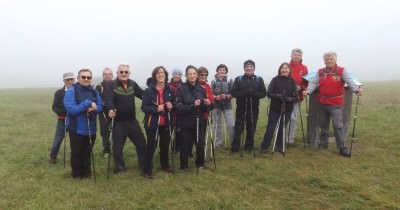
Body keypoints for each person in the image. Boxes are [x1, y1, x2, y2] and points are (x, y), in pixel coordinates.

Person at [305, 51, 362, 157]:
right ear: (324, 61)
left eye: (331, 59)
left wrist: (356, 90)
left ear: (335, 59)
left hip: (336, 104)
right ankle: (323, 144)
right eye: (327, 59)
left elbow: (349, 81)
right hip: (322, 103)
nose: (329, 61)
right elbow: (313, 82)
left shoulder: (342, 71)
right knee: (324, 125)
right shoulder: (320, 72)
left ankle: (342, 148)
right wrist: (308, 91)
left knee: (338, 126)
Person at [104, 64, 146, 173]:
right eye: (121, 72)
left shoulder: (132, 84)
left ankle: (143, 165)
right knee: (117, 147)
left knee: (141, 143)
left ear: (129, 73)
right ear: (117, 73)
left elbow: (143, 95)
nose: (123, 74)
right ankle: (120, 168)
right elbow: (108, 99)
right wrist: (110, 109)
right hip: (118, 122)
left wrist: (154, 97)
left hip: (132, 121)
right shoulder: (111, 85)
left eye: (126, 72)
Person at [64, 69, 102, 178]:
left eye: (88, 77)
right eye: (83, 77)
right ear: (78, 78)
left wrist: (93, 109)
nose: (86, 79)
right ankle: (76, 174)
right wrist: (87, 104)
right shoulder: (72, 91)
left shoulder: (94, 91)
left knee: (87, 151)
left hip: (91, 127)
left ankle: (86, 173)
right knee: (77, 152)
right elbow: (71, 109)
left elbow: (100, 107)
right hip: (76, 128)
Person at [175, 65, 211, 170]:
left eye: (194, 73)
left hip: (198, 121)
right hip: (185, 122)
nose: (192, 76)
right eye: (189, 74)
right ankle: (184, 166)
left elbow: (205, 108)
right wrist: (192, 106)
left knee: (200, 143)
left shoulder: (201, 89)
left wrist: (207, 104)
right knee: (185, 145)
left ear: (197, 75)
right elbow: (178, 107)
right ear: (186, 75)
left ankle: (200, 164)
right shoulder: (181, 88)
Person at [142, 66, 175, 178]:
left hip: (166, 122)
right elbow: (144, 107)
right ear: (155, 76)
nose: (160, 75)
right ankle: (147, 170)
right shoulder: (148, 90)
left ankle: (165, 165)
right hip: (153, 123)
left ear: (165, 75)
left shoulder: (170, 89)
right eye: (158, 73)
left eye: (162, 73)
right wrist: (156, 109)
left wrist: (171, 105)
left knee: (165, 145)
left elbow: (173, 103)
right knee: (151, 146)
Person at [260, 63, 298, 153]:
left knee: (282, 128)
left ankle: (279, 146)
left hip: (287, 108)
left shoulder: (292, 81)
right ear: (280, 70)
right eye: (282, 68)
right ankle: (264, 147)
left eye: (286, 68)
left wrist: (290, 99)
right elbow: (269, 93)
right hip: (275, 108)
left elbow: (296, 96)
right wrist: (278, 96)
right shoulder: (275, 80)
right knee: (271, 128)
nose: (284, 70)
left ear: (289, 70)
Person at [231, 60, 267, 153]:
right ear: (244, 68)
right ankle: (235, 147)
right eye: (247, 66)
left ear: (254, 68)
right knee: (239, 128)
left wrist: (254, 94)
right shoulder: (238, 79)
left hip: (253, 108)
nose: (249, 68)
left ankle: (248, 147)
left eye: (251, 66)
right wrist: (243, 94)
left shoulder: (259, 79)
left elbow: (263, 93)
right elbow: (233, 92)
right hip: (241, 108)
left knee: (251, 128)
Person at [48, 72, 75, 164]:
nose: (70, 81)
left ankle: (75, 158)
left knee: (75, 140)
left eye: (72, 79)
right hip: (62, 120)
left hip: (75, 120)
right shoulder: (59, 93)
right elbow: (54, 106)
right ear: (64, 81)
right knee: (58, 139)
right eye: (68, 79)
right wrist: (63, 113)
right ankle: (52, 157)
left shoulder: (78, 91)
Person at [210, 64, 235, 148]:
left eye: (224, 70)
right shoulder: (213, 80)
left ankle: (233, 142)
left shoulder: (229, 80)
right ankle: (218, 142)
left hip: (227, 106)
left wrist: (227, 96)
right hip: (216, 106)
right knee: (217, 125)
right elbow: (210, 93)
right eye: (220, 70)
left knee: (231, 125)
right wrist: (215, 97)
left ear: (226, 71)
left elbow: (233, 93)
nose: (222, 71)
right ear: (217, 71)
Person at [287, 49, 308, 145]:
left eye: (299, 55)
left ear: (301, 57)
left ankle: (290, 139)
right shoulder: (286, 66)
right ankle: (283, 138)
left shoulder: (304, 68)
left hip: (297, 97)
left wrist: (301, 87)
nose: (296, 56)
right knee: (286, 118)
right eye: (295, 54)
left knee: (293, 118)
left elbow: (306, 82)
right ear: (291, 55)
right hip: (286, 97)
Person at [95, 68, 113, 157]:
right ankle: (106, 150)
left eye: (109, 74)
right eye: (105, 74)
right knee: (104, 132)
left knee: (116, 132)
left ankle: (116, 149)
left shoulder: (116, 85)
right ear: (103, 75)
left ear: (112, 75)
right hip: (103, 113)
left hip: (115, 112)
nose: (107, 75)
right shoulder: (99, 86)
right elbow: (96, 98)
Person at [197, 67, 215, 157]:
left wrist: (210, 102)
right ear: (197, 75)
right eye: (201, 74)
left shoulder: (207, 86)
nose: (203, 76)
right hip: (197, 116)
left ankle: (200, 155)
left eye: (205, 75)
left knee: (202, 136)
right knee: (197, 137)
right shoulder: (196, 86)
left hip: (206, 115)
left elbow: (211, 99)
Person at [168, 66, 183, 153]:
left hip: (180, 113)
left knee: (179, 133)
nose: (177, 75)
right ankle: (165, 149)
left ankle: (176, 148)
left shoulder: (184, 85)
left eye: (179, 74)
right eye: (175, 74)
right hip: (170, 112)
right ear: (173, 75)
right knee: (169, 132)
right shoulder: (168, 85)